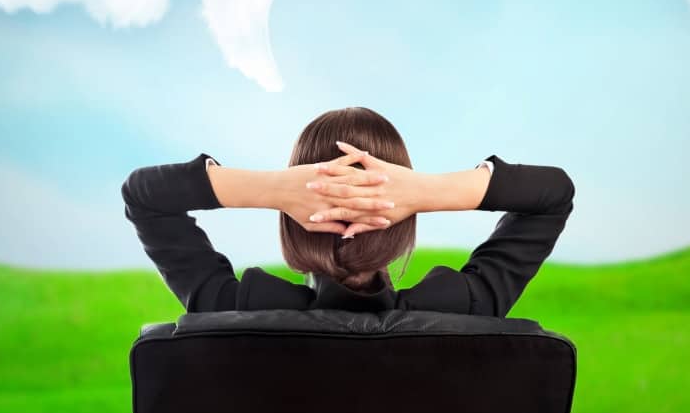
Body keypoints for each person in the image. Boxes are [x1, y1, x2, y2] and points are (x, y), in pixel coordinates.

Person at [121, 106, 574, 315]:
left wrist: (274, 187)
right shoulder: (471, 310)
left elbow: (145, 196)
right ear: (403, 220)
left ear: (291, 218)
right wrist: (429, 191)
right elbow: (553, 194)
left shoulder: (228, 310)